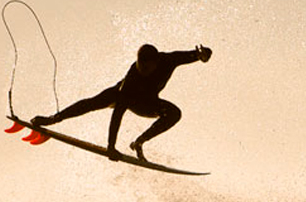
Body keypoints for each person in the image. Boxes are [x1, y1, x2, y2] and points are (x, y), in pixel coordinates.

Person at [30, 43, 213, 162]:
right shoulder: (132, 79)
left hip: (148, 103)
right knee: (93, 103)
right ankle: (52, 119)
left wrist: (203, 55)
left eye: (147, 68)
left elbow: (196, 55)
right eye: (141, 66)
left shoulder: (169, 59)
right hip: (126, 96)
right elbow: (117, 114)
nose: (143, 71)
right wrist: (111, 147)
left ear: (156, 62)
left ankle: (139, 142)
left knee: (174, 113)